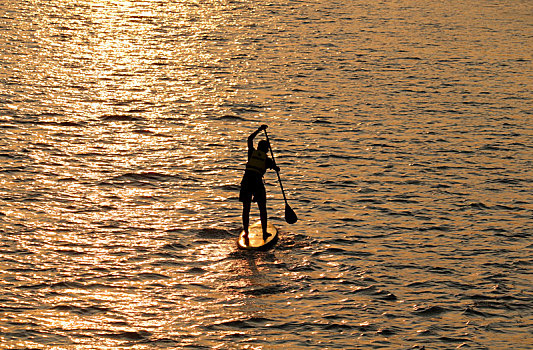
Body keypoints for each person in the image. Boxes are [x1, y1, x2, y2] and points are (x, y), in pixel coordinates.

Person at [239, 124, 280, 241]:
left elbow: (249, 139)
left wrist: (259, 130)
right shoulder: (267, 160)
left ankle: (246, 232)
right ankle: (264, 233)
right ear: (267, 149)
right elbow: (275, 168)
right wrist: (276, 168)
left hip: (246, 181)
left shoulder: (251, 152)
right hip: (257, 183)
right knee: (262, 208)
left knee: (246, 208)